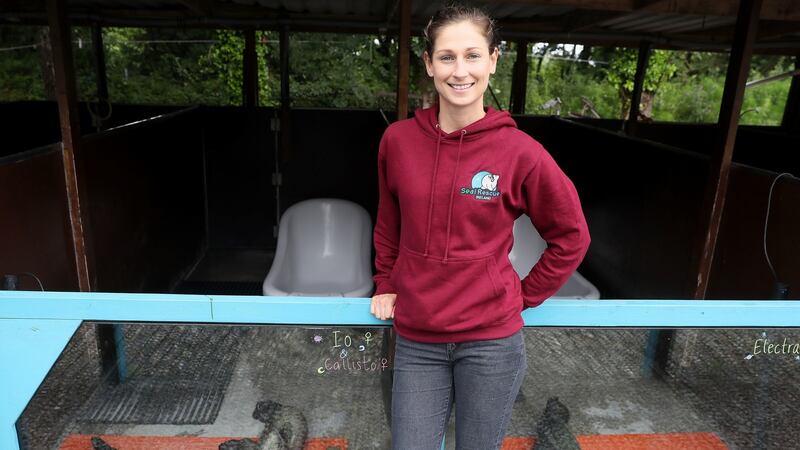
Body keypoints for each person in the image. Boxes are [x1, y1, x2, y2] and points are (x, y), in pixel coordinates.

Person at [370, 5, 591, 449]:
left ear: (492, 60)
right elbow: (389, 225)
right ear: (429, 64)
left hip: (492, 345)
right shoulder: (398, 141)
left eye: (472, 56)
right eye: (447, 57)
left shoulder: (521, 152)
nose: (460, 71)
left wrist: (522, 296)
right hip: (418, 340)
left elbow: (572, 236)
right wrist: (385, 283)